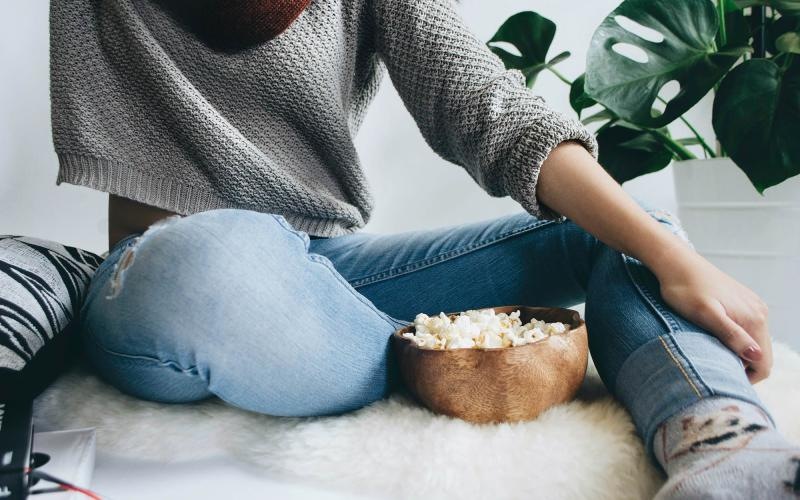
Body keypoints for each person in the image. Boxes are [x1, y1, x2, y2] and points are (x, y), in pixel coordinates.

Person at [50, 1, 799, 497]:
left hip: (326, 273)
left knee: (629, 229)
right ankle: (434, 358)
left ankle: (720, 443)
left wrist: (679, 261)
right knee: (214, 257)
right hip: (165, 280)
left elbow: (489, 109)